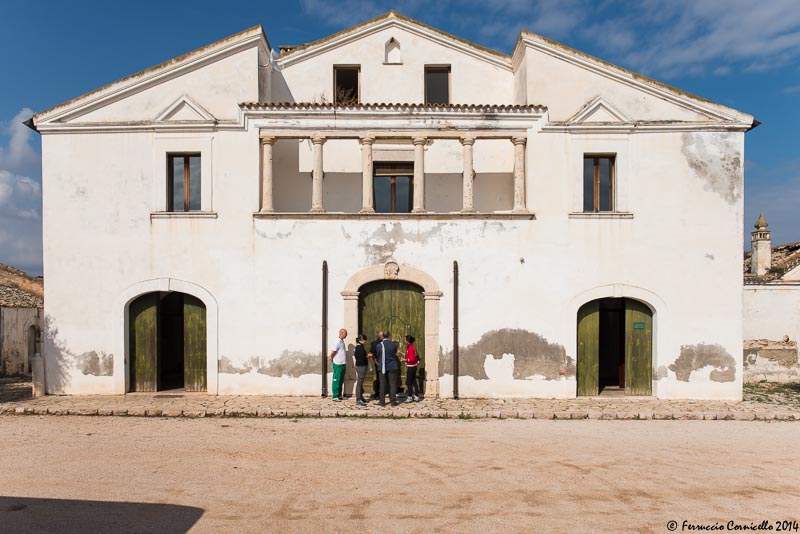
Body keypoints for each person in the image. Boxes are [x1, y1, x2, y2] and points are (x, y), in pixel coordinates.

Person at [376, 330, 400, 407]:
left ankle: (382, 401)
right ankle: (393, 401)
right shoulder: (393, 345)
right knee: (392, 384)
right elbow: (394, 353)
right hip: (392, 366)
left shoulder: (379, 346)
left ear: (382, 336)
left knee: (382, 384)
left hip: (382, 366)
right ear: (389, 336)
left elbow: (378, 355)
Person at [329, 328, 347, 401]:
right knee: (336, 379)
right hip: (338, 363)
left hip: (342, 363)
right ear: (341, 333)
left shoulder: (342, 342)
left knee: (341, 380)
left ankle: (339, 394)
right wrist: (331, 358)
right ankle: (335, 395)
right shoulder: (337, 342)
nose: (346, 335)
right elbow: (333, 351)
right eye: (345, 334)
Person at [402, 335, 420, 402]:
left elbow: (411, 358)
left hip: (411, 367)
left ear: (407, 341)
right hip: (413, 366)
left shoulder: (410, 348)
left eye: (405, 339)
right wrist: (402, 353)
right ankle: (416, 396)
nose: (404, 341)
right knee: (414, 381)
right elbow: (409, 355)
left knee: (409, 382)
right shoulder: (411, 346)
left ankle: (410, 396)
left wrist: (405, 360)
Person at [367, 330, 384, 400]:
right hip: (378, 363)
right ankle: (378, 393)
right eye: (381, 336)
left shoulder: (386, 342)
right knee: (379, 379)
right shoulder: (374, 343)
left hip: (387, 363)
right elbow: (372, 353)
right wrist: (375, 361)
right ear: (379, 336)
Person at [353, 334, 369, 406]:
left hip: (361, 366)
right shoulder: (359, 347)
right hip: (361, 366)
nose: (365, 342)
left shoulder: (359, 346)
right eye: (365, 340)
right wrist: (367, 356)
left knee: (361, 382)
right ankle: (358, 399)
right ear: (362, 340)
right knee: (359, 383)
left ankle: (360, 397)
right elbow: (360, 358)